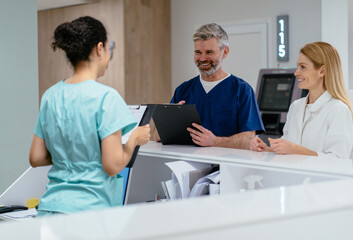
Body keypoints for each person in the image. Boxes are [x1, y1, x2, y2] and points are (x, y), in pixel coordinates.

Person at [29, 16, 150, 216]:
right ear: (99, 48)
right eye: (109, 47)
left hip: (51, 209)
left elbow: (36, 157)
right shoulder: (106, 98)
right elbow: (112, 165)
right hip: (89, 214)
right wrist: (134, 140)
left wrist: (70, 155)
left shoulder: (50, 96)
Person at [166, 23, 264, 149]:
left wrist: (215, 141)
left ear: (225, 52)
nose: (202, 58)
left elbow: (249, 139)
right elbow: (157, 136)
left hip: (226, 166)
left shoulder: (242, 90)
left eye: (209, 52)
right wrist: (169, 120)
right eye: (198, 52)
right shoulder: (183, 90)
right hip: (187, 164)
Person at [250, 41, 353, 160]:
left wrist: (296, 150)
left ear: (322, 71)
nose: (296, 72)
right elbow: (286, 145)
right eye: (298, 66)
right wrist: (266, 149)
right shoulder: (296, 106)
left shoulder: (338, 110)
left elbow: (338, 159)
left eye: (303, 67)